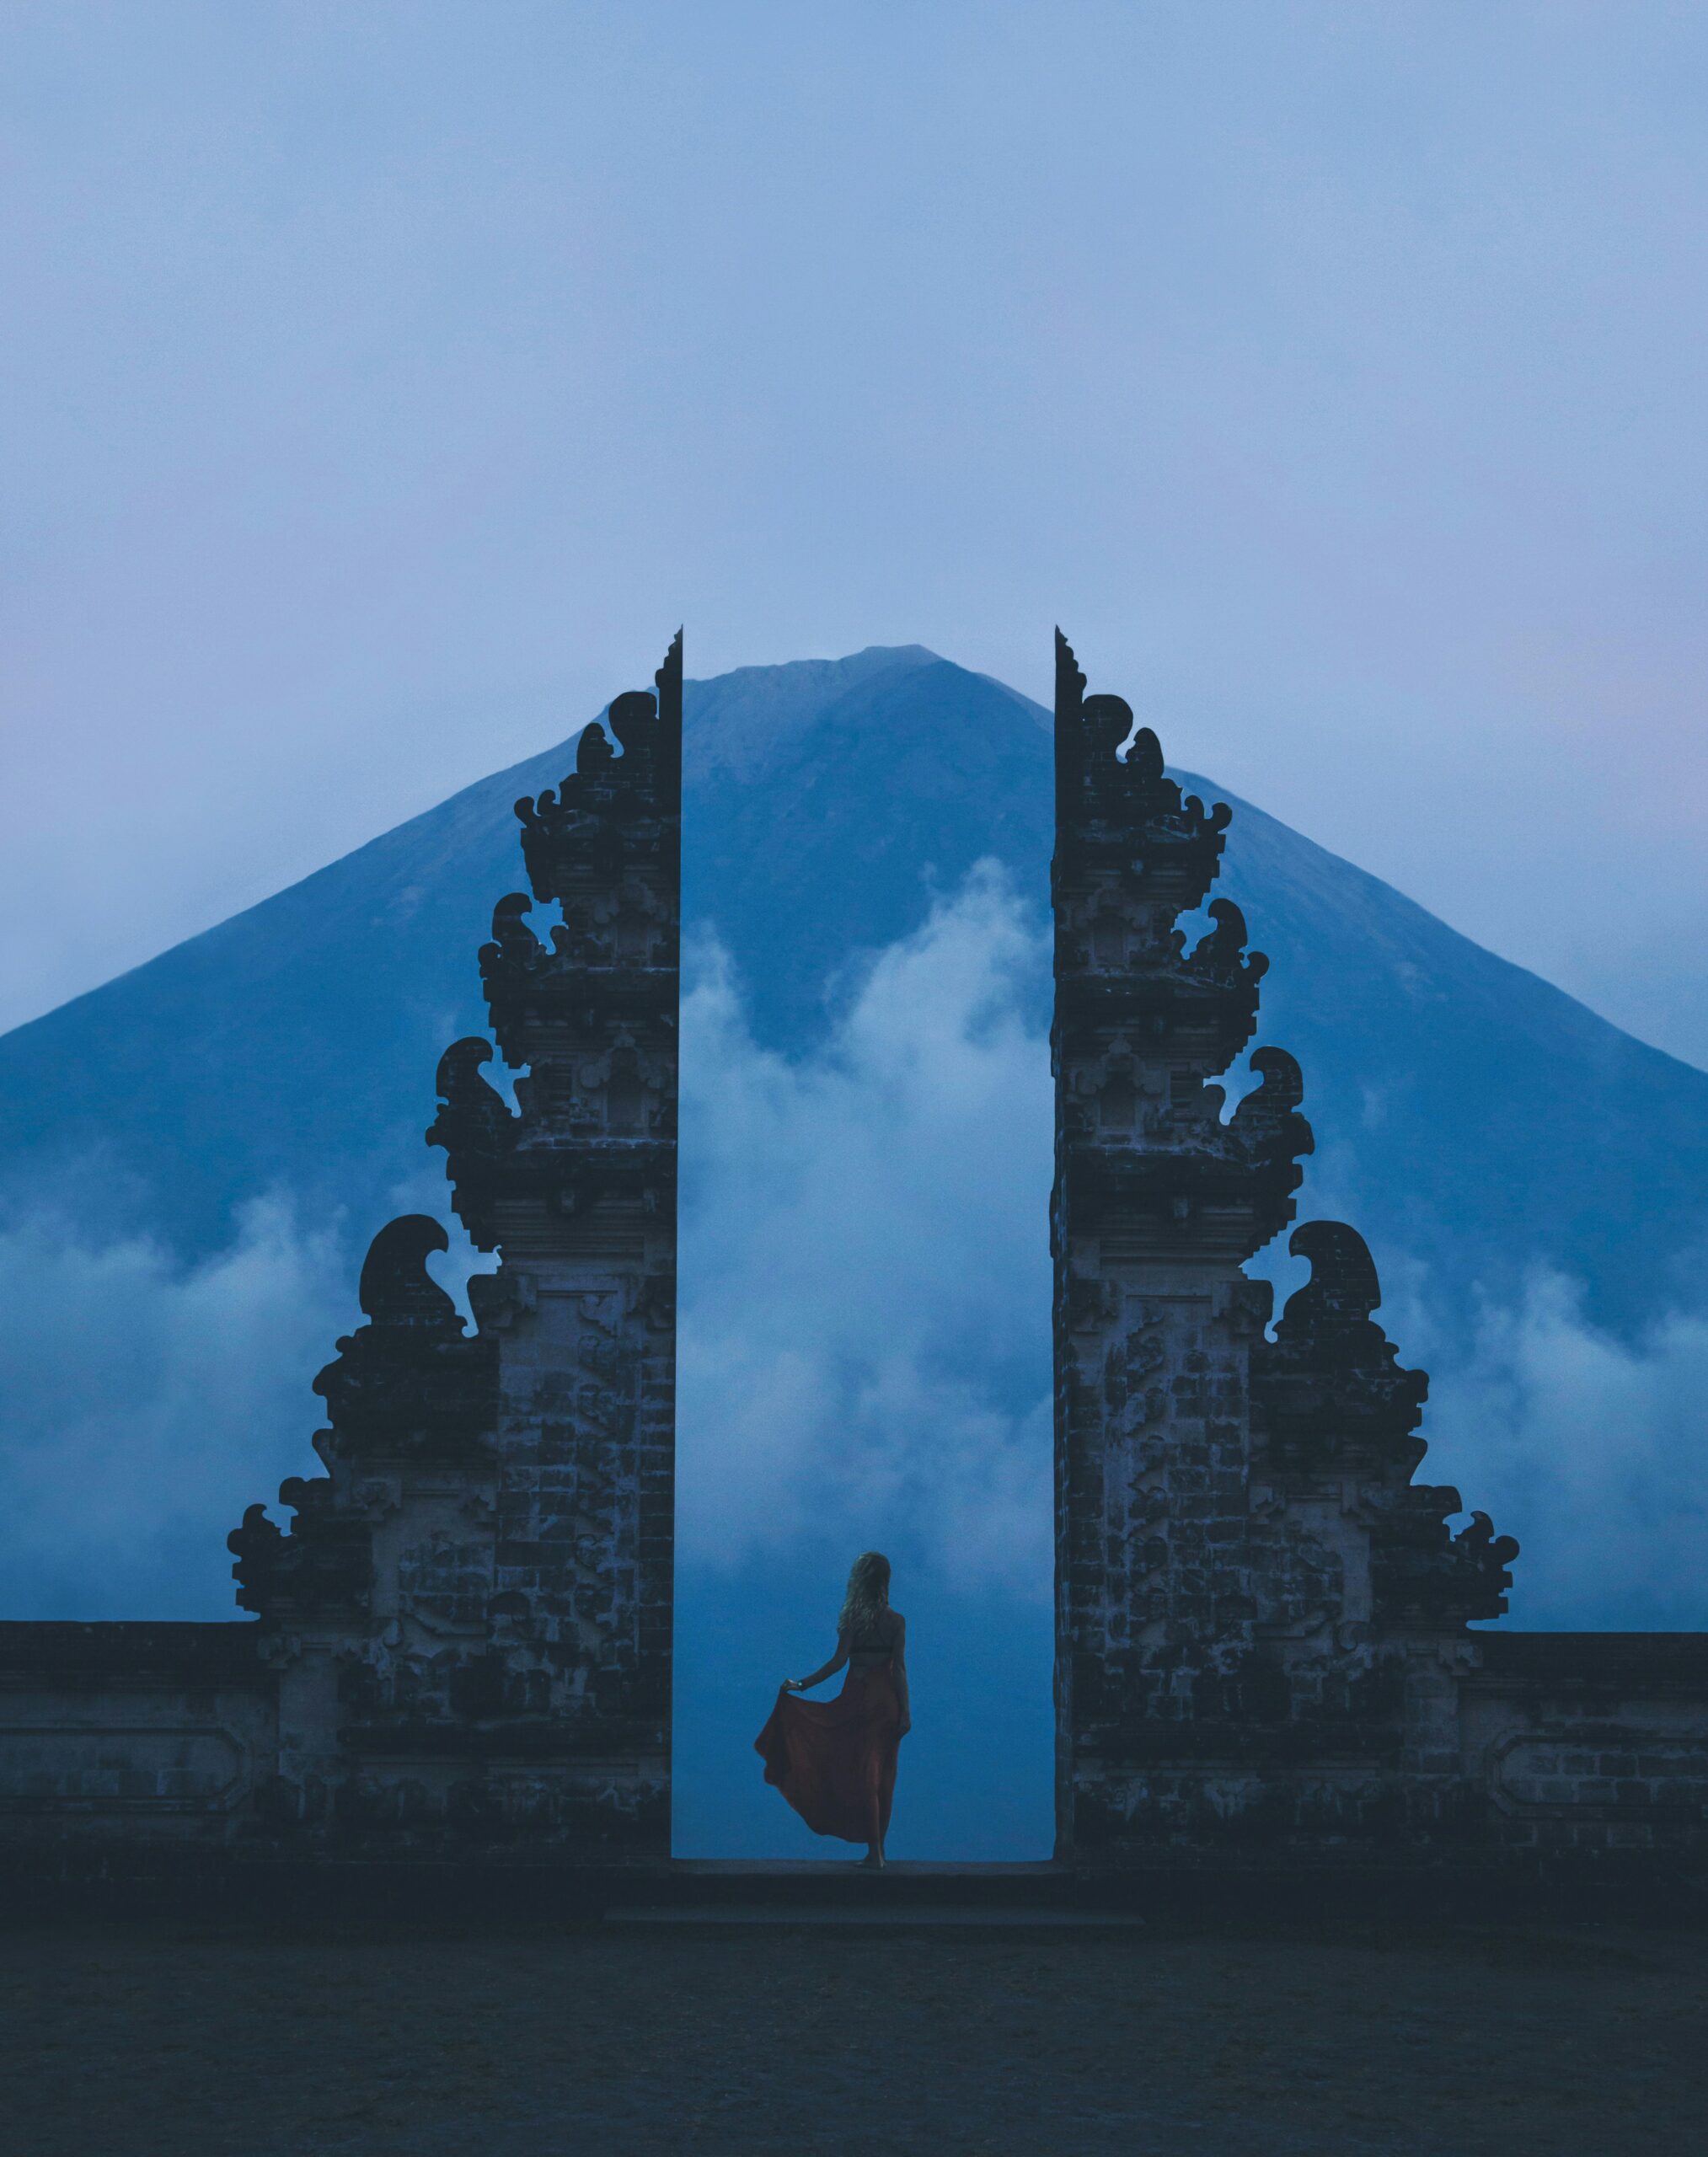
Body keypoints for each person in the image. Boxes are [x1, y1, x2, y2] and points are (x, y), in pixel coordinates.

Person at [753, 1550, 911, 1867]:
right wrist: (906, 1712)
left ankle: (875, 1853)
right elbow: (899, 1669)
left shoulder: (853, 1619)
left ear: (859, 1582)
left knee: (865, 1774)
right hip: (888, 1702)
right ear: (885, 1582)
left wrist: (802, 1685)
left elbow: (839, 1662)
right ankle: (878, 1850)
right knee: (885, 1775)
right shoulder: (896, 1621)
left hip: (860, 1699)